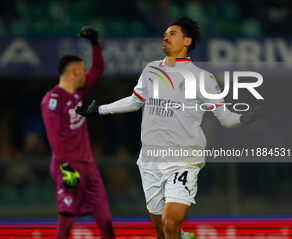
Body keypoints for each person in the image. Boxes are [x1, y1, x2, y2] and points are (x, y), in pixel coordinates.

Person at [75, 17, 262, 239]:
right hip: (150, 159)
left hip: (184, 158)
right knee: (160, 230)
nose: (166, 37)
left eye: (172, 33)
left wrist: (244, 118)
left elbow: (225, 118)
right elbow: (135, 101)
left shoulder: (202, 78)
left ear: (187, 41)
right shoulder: (151, 69)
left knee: (170, 221)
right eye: (165, 33)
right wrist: (100, 109)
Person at [41, 27, 115, 239]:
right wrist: (65, 166)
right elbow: (53, 136)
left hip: (89, 166)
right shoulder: (52, 99)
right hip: (67, 165)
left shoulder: (78, 93)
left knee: (105, 221)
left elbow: (99, 68)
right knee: (66, 220)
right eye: (83, 70)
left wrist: (94, 43)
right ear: (75, 72)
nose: (87, 74)